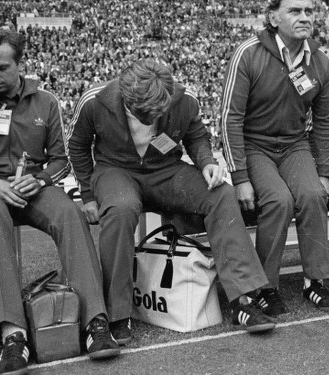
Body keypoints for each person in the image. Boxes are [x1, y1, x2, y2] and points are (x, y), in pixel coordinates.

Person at [0, 28, 118, 375]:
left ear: (20, 64)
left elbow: (61, 161)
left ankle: (95, 323)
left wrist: (38, 180)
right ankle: (14, 336)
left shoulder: (46, 101)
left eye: (2, 68)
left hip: (32, 187)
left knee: (69, 213)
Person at [68, 59, 276, 341]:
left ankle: (243, 299)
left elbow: (196, 136)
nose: (152, 118)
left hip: (165, 169)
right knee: (121, 208)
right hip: (116, 170)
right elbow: (77, 145)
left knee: (222, 195)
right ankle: (117, 313)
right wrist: (88, 195)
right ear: (126, 98)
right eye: (144, 113)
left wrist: (207, 162)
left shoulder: (185, 99)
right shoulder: (94, 101)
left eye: (159, 112)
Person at [221, 0, 329, 316]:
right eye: (295, 11)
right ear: (274, 18)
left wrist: (324, 171)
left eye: (309, 11)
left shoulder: (320, 61)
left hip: (294, 144)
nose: (305, 17)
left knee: (314, 194)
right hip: (254, 144)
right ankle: (265, 287)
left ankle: (315, 281)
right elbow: (230, 117)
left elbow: (326, 119)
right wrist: (240, 176)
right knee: (278, 200)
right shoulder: (248, 53)